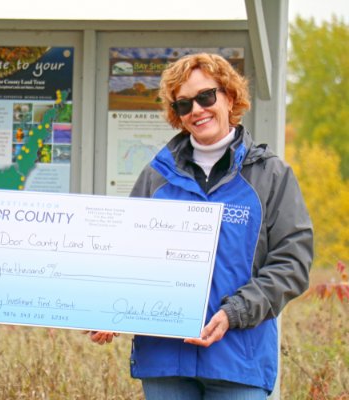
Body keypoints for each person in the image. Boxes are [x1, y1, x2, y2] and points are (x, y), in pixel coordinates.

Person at [89, 53, 313, 399]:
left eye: (206, 96)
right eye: (183, 104)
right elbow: (125, 257)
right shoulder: (156, 177)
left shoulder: (271, 175)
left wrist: (234, 312)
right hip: (165, 360)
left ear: (230, 97)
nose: (197, 109)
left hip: (239, 359)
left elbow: (292, 263)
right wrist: (110, 310)